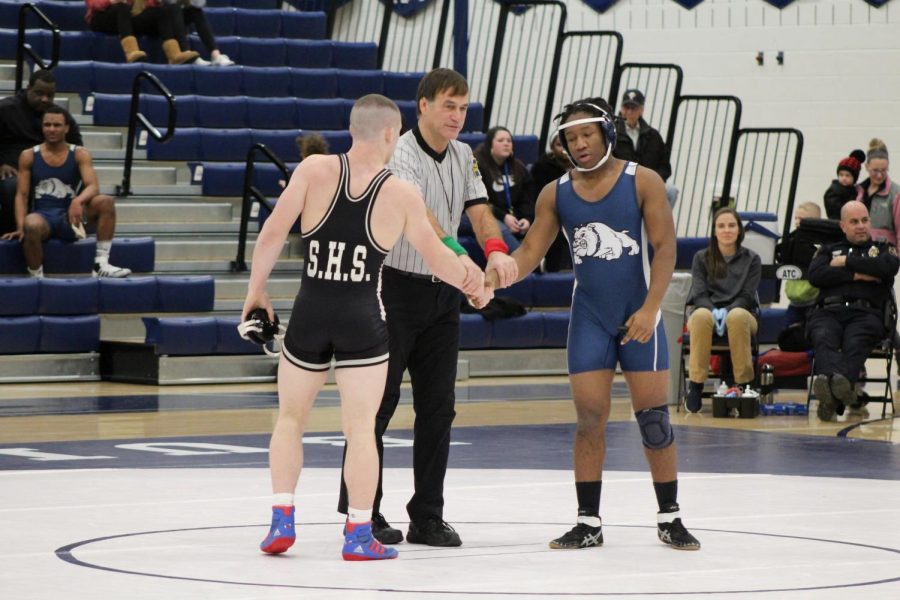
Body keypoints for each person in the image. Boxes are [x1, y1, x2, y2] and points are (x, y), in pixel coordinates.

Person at [241, 94, 491, 560]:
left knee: (290, 420)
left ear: (352, 128)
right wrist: (474, 283)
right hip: (363, 318)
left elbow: (274, 230)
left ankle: (281, 519)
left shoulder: (314, 170)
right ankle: (358, 534)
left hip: (311, 312)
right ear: (392, 135)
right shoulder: (399, 191)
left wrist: (256, 292)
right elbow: (437, 258)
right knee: (360, 430)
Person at [490, 97, 700, 551]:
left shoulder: (643, 180)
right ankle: (588, 522)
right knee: (589, 419)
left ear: (606, 133)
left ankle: (670, 516)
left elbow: (665, 249)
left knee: (654, 421)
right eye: (571, 138)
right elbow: (529, 254)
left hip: (639, 313)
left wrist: (650, 309)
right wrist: (495, 275)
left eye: (587, 135)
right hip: (590, 316)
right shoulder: (556, 192)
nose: (580, 144)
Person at [336, 68, 518, 547]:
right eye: (448, 106)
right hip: (393, 288)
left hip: (441, 297)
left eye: (463, 107)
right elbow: (428, 220)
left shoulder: (464, 155)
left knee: (439, 407)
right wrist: (465, 264)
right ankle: (363, 511)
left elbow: (478, 210)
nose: (458, 116)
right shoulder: (400, 152)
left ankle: (428, 515)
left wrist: (496, 249)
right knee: (378, 402)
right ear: (423, 106)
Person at [0, 107, 132, 278]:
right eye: (47, 125)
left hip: (70, 216)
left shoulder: (79, 153)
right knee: (30, 224)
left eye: (57, 125)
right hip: (44, 217)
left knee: (105, 201)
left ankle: (101, 263)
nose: (51, 129)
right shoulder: (28, 155)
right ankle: (36, 277)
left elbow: (93, 186)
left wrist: (77, 201)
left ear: (66, 128)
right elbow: (22, 195)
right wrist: (20, 226)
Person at [807, 201, 899, 421]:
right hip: (828, 311)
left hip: (866, 314)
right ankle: (841, 388)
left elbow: (887, 268)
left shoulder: (882, 248)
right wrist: (857, 275)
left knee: (856, 341)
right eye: (854, 222)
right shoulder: (828, 250)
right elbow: (817, 275)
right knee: (822, 336)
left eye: (864, 220)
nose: (861, 226)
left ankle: (830, 391)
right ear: (843, 226)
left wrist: (846, 261)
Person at [684, 208, 761, 412]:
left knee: (735, 317)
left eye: (731, 225)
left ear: (739, 230)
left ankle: (744, 385)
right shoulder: (701, 258)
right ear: (715, 231)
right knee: (700, 316)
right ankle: (696, 385)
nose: (727, 230)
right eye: (721, 226)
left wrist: (728, 310)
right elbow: (699, 295)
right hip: (707, 312)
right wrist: (713, 311)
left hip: (742, 313)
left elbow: (747, 295)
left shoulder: (752, 259)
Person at [0, 71, 83, 235]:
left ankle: (67, 230)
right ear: (28, 88)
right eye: (39, 93)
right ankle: (16, 232)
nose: (45, 99)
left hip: (48, 171)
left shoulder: (58, 116)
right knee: (12, 186)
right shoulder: (6, 110)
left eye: (50, 95)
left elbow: (77, 147)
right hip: (12, 170)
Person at [464, 126, 536, 252]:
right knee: (496, 226)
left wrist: (527, 218)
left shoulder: (518, 167)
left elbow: (527, 198)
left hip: (508, 215)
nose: (506, 144)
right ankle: (522, 261)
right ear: (490, 145)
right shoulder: (476, 165)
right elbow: (477, 201)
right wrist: (504, 217)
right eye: (501, 140)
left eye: (509, 141)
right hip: (474, 213)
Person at [614, 89, 678, 207]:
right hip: (619, 184)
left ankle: (659, 224)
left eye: (633, 108)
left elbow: (665, 166)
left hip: (648, 183)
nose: (629, 112)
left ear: (641, 110)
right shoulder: (612, 134)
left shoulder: (653, 135)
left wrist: (653, 181)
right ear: (621, 108)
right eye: (626, 107)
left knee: (671, 191)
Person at [85, 0, 200, 65]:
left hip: (126, 19)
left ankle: (174, 55)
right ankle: (131, 52)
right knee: (121, 7)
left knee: (161, 11)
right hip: (101, 17)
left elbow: (145, 5)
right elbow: (93, 4)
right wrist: (110, 1)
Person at [531, 133, 572, 272]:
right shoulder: (542, 166)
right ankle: (551, 271)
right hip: (550, 212)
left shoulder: (582, 166)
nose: (564, 149)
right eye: (559, 145)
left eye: (566, 144)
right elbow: (538, 197)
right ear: (552, 147)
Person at [782, 202, 822, 326]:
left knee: (811, 332)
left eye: (802, 219)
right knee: (787, 334)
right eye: (796, 218)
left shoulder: (819, 243)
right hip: (794, 300)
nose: (797, 222)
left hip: (813, 300)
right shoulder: (792, 239)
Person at [856, 139, 900, 246]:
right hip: (861, 251)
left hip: (885, 254)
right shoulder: (858, 191)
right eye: (875, 170)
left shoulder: (895, 193)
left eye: (883, 170)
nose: (879, 175)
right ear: (867, 167)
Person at [167, 0, 234, 66]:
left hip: (178, 15)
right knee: (175, 8)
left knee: (196, 12)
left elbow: (199, 4)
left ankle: (216, 55)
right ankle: (188, 56)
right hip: (162, 15)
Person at [823, 150, 865, 220]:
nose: (844, 178)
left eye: (847, 175)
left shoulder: (856, 191)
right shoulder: (834, 189)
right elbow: (833, 207)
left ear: (854, 178)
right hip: (836, 222)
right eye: (841, 175)